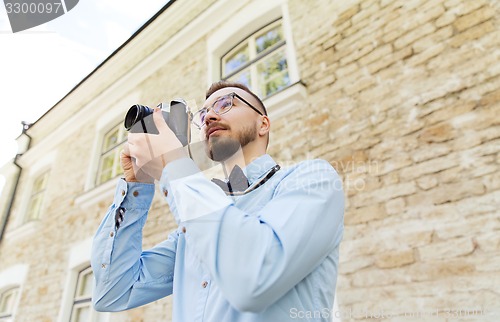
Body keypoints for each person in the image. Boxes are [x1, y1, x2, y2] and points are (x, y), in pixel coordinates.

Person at [91, 81, 344, 321]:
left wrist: (174, 162)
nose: (210, 117)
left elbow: (254, 277)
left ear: (263, 124)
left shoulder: (312, 179)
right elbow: (113, 292)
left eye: (225, 104)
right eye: (203, 115)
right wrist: (138, 185)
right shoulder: (192, 229)